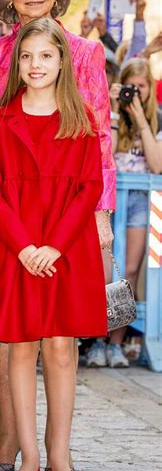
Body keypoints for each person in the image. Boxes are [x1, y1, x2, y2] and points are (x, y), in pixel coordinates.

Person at [0, 0, 115, 471]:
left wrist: (96, 217)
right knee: (13, 342)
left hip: (68, 221)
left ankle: (54, 453)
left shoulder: (85, 53)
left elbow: (98, 137)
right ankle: (12, 442)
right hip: (12, 220)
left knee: (59, 343)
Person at [105, 58, 162, 367]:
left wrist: (141, 119)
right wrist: (115, 111)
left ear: (150, 89)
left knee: (126, 274)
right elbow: (107, 154)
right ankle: (95, 342)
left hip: (140, 203)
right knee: (102, 274)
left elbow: (157, 165)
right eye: (130, 87)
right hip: (108, 201)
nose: (134, 94)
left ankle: (116, 342)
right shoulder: (111, 116)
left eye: (141, 88)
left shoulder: (156, 120)